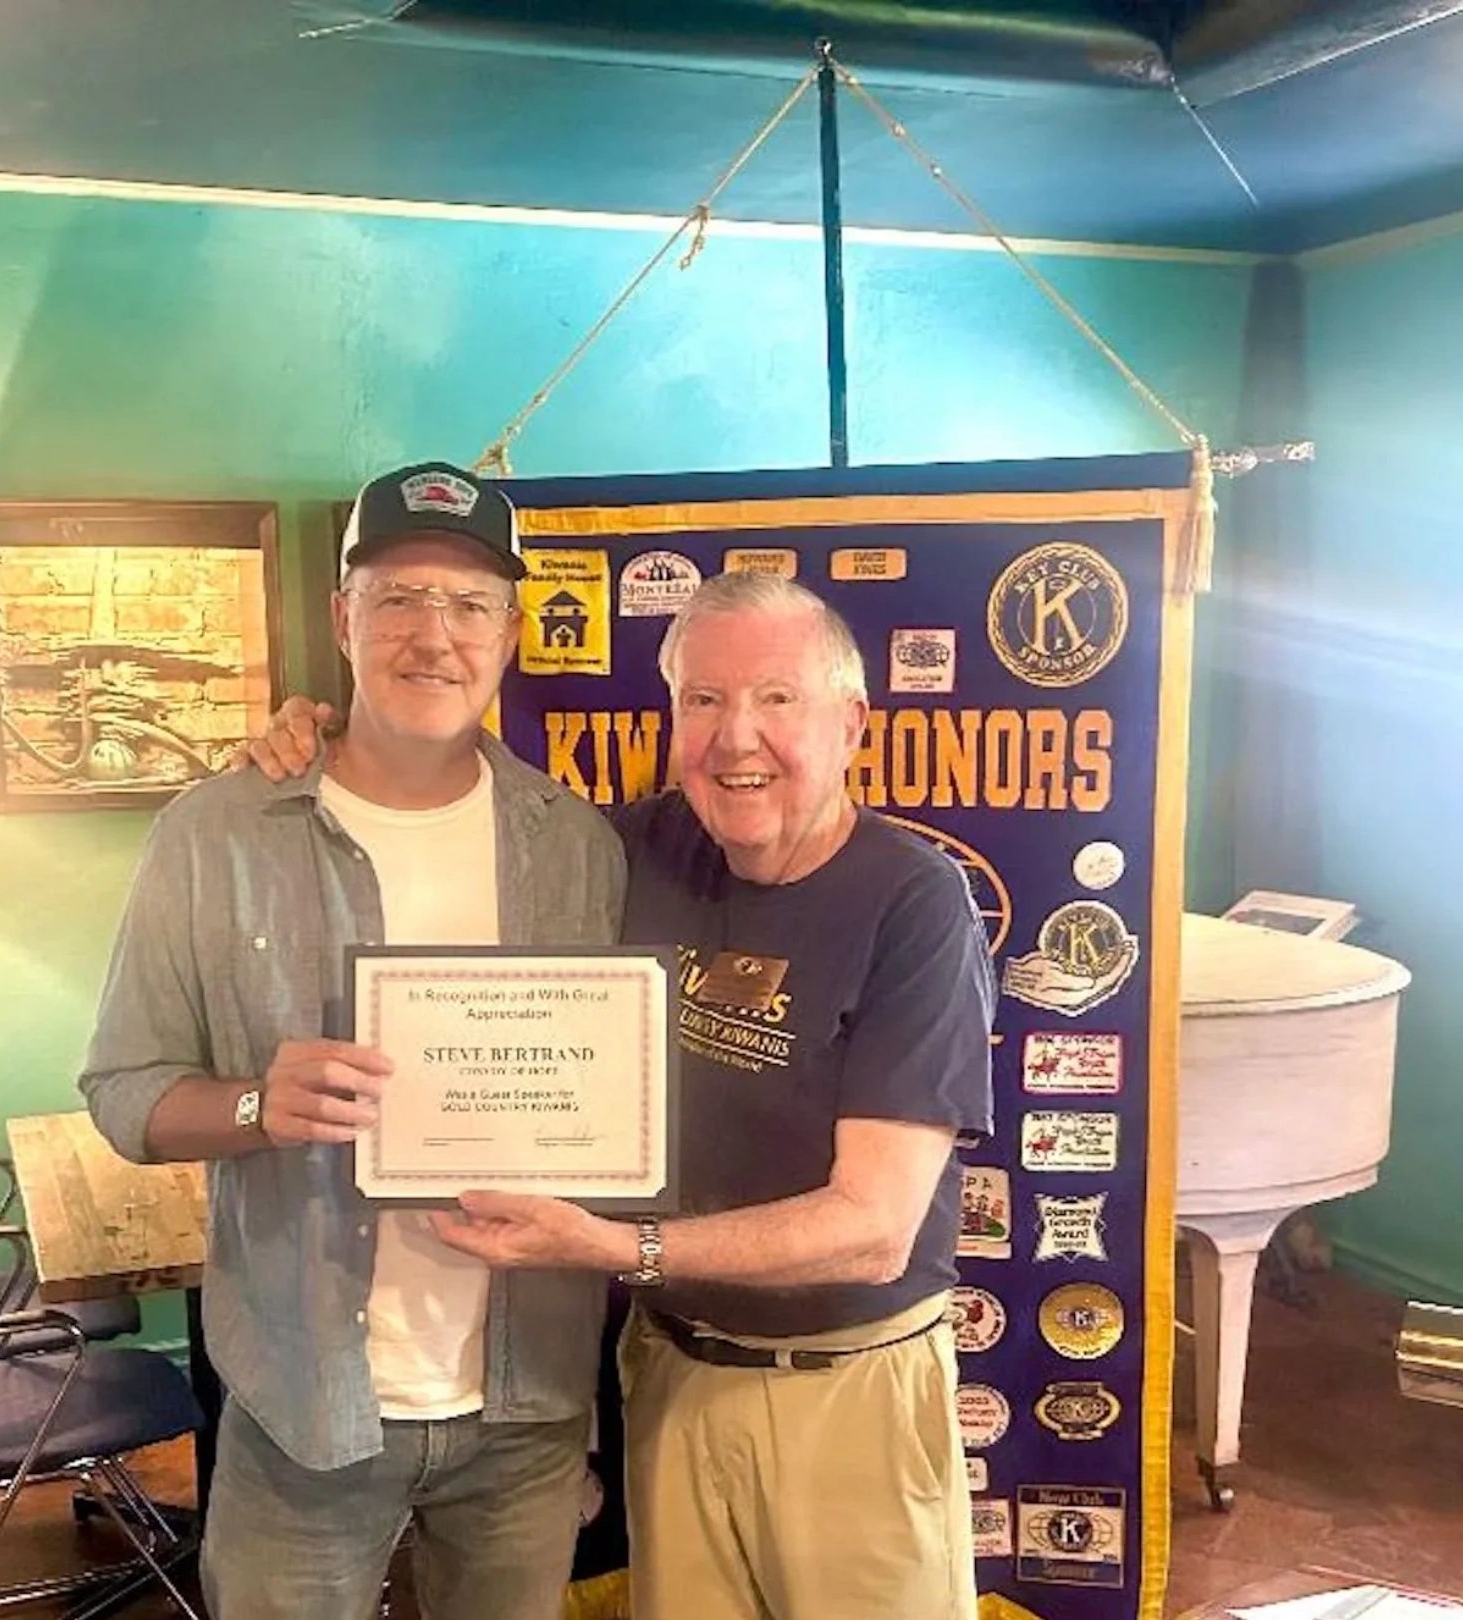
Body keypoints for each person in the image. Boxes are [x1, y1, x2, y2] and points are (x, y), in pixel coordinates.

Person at [249, 570, 995, 1620]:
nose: (737, 738)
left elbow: (872, 1230)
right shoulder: (636, 851)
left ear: (852, 724)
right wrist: (321, 744)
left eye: (778, 699)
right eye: (704, 700)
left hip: (847, 1389)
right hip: (672, 1372)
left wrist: (610, 1246)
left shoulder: (916, 902)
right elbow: (460, 822)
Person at [78, 461, 626, 1620]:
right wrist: (252, 1107)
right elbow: (124, 1091)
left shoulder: (579, 846)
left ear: (511, 632)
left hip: (528, 1408)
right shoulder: (215, 835)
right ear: (343, 619)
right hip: (303, 1405)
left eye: (469, 604)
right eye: (399, 599)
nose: (435, 634)